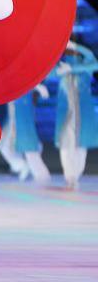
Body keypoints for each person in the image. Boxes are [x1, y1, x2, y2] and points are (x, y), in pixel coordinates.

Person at [54, 39, 98, 190]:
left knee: (80, 145)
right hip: (66, 114)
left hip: (83, 114)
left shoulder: (84, 67)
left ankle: (75, 177)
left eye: (72, 50)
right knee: (65, 145)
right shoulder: (60, 66)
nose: (70, 52)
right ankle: (69, 177)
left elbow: (94, 62)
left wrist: (76, 48)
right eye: (68, 50)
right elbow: (48, 73)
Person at [0, 85, 51, 183]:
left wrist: (38, 87)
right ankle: (22, 166)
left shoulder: (25, 88)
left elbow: (33, 83)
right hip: (15, 113)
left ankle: (40, 176)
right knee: (4, 145)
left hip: (21, 113)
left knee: (30, 152)